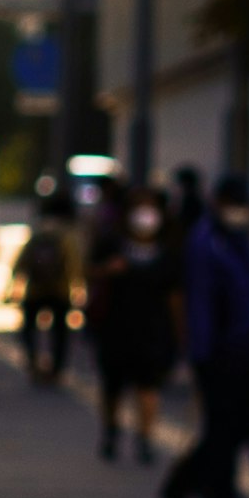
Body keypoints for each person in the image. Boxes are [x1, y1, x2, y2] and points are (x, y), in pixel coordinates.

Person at [160, 173, 249, 498]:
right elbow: (202, 302)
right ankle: (214, 492)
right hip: (218, 350)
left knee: (244, 417)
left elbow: (246, 290)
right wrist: (202, 353)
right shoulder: (206, 242)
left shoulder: (235, 239)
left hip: (240, 344)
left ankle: (187, 482)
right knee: (225, 422)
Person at [88, 191, 179, 469]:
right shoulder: (112, 244)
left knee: (148, 387)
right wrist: (107, 270)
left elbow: (176, 295)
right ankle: (111, 433)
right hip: (114, 328)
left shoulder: (167, 252)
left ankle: (145, 438)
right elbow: (89, 273)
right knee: (112, 388)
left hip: (152, 330)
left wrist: (178, 333)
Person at [16, 177, 81, 389]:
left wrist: (15, 285)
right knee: (60, 332)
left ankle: (34, 363)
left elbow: (22, 260)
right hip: (60, 290)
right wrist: (77, 286)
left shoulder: (38, 232)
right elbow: (74, 263)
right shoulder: (67, 235)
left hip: (35, 289)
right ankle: (56, 370)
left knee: (29, 329)